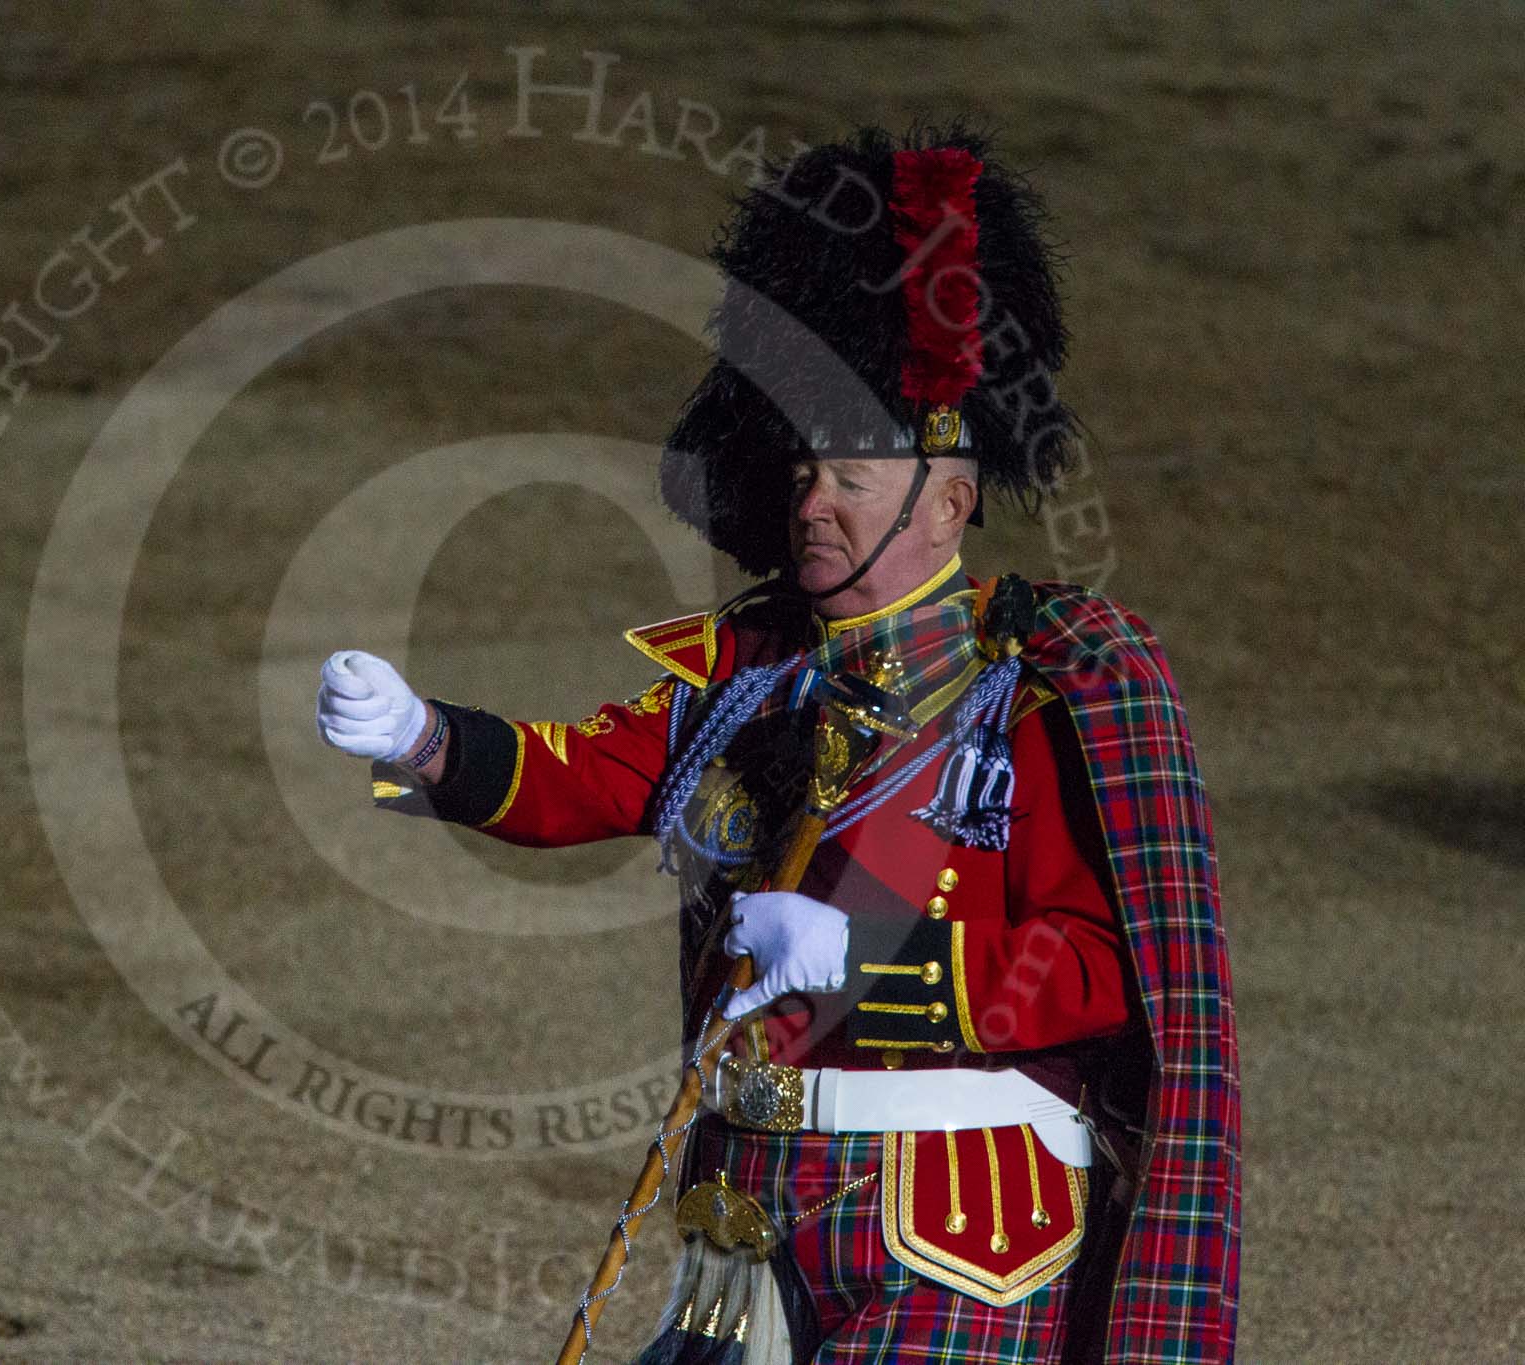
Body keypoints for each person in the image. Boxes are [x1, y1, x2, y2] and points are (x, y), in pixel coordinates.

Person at [317, 124, 1240, 1364]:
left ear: (950, 501)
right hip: (746, 1224)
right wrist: (427, 738)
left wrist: (872, 957)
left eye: (853, 476)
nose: (813, 501)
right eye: (804, 470)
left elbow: (1096, 968)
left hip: (956, 1229)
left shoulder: (1039, 688)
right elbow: (579, 775)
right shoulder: (749, 679)